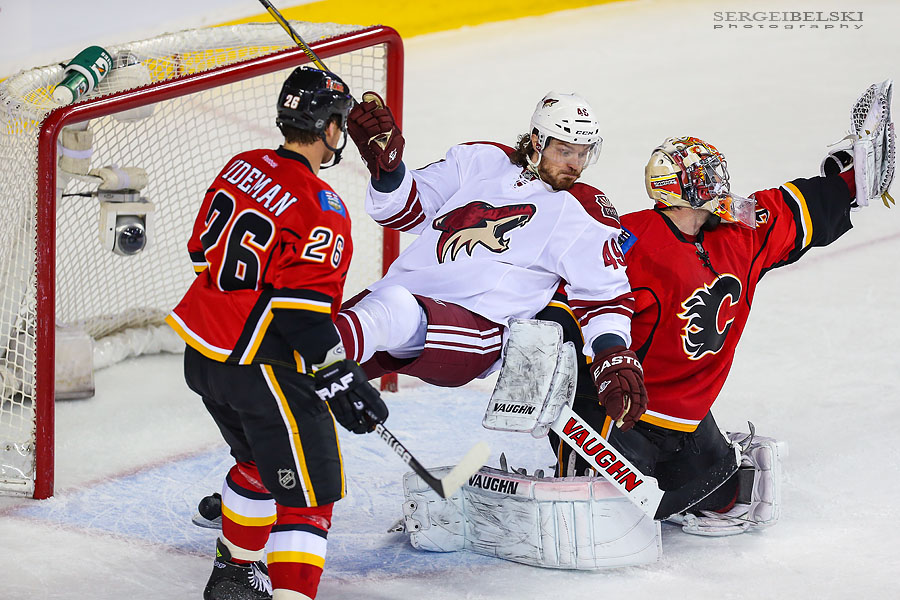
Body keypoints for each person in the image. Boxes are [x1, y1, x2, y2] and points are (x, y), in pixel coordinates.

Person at [551, 97, 894, 535]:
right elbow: (567, 297)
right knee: (598, 521)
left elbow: (794, 208)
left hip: (686, 420)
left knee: (728, 499)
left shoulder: (740, 231)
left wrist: (851, 180)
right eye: (706, 175)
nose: (720, 182)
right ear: (682, 187)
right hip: (617, 410)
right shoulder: (629, 239)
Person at [166, 67, 388, 600]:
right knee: (309, 498)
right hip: (261, 367)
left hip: (203, 356)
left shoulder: (241, 166)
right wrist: (338, 374)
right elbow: (302, 316)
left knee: (258, 465)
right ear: (332, 129)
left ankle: (234, 575)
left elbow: (202, 255)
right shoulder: (322, 205)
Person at [337, 90, 647, 426]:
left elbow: (605, 297)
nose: (576, 164)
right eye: (565, 150)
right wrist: (389, 170)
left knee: (386, 311)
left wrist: (612, 354)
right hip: (404, 295)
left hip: (480, 326)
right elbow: (405, 211)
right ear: (537, 141)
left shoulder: (584, 211)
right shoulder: (479, 160)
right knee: (300, 359)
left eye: (584, 153)